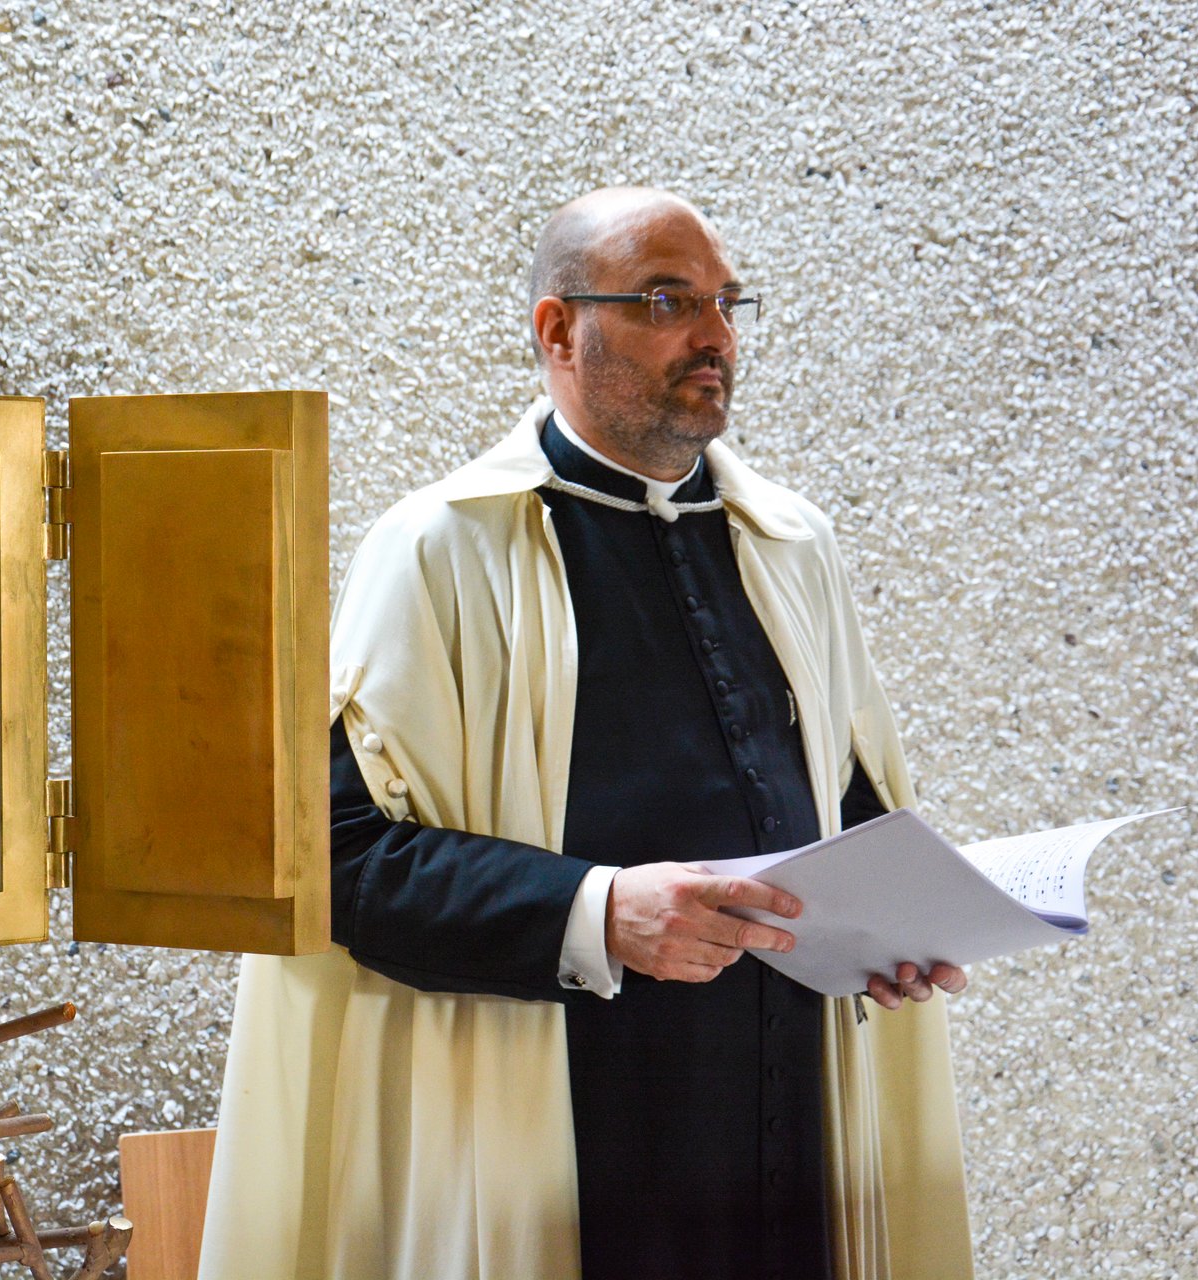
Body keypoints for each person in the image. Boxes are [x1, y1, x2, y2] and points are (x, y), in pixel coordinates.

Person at [198, 188, 974, 1280]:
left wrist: (892, 927)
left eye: (727, 302)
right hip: (563, 1125)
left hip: (785, 1123)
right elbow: (336, 859)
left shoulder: (791, 543)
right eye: (668, 301)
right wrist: (599, 913)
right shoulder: (442, 549)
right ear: (559, 331)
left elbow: (838, 802)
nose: (715, 335)